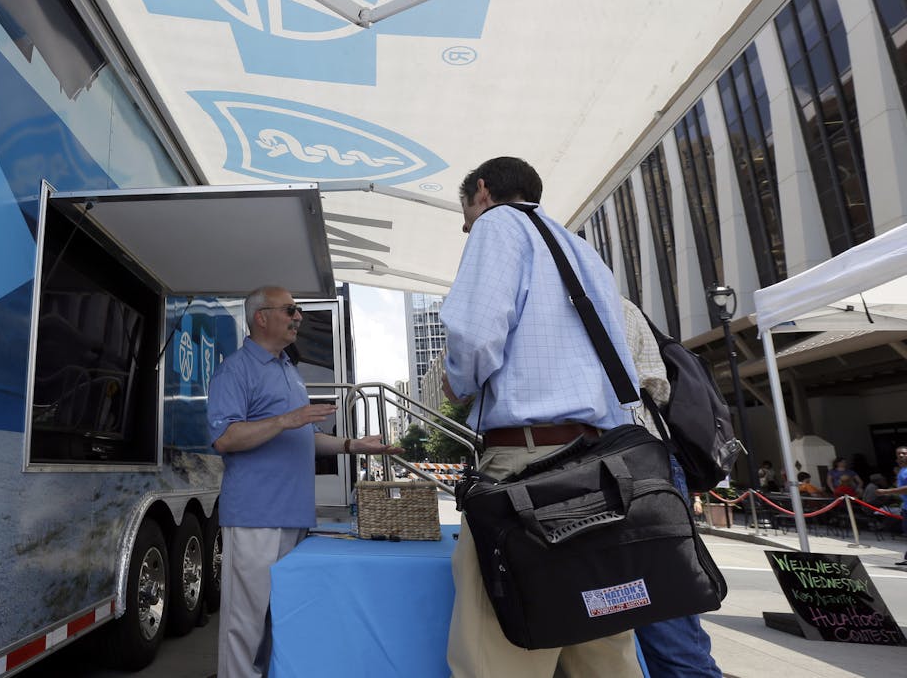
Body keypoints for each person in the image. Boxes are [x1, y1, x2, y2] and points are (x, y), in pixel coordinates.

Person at [441, 156, 643, 677]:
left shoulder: (497, 224)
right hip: (601, 460)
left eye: (466, 216)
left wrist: (458, 381)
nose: (468, 227)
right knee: (602, 642)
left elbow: (475, 333)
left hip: (529, 461)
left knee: (500, 644)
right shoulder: (582, 250)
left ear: (482, 191)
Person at [207, 285, 400, 678]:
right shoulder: (236, 370)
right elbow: (226, 438)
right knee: (245, 622)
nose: (298, 317)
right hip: (255, 516)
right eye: (290, 310)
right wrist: (284, 420)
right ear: (261, 317)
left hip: (295, 514)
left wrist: (351, 444)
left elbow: (302, 437)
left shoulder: (287, 370)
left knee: (280, 616)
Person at [621, 299, 722, 678]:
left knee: (663, 625)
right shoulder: (624, 307)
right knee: (669, 619)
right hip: (653, 458)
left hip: (627, 467)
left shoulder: (557, 306)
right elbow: (659, 390)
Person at [874, 446, 907, 566]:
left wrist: (886, 492)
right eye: (899, 454)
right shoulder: (902, 470)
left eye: (904, 453)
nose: (901, 456)